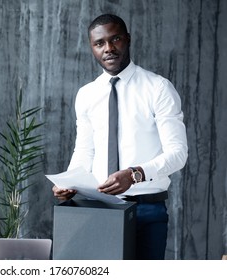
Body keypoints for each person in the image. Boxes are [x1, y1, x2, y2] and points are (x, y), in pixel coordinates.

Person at [52, 14, 188, 260]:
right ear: (92, 48)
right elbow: (84, 150)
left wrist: (135, 174)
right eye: (100, 43)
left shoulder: (158, 88)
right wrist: (69, 181)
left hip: (146, 209)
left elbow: (178, 154)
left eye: (115, 39)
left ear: (128, 39)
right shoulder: (86, 94)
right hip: (97, 209)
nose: (109, 48)